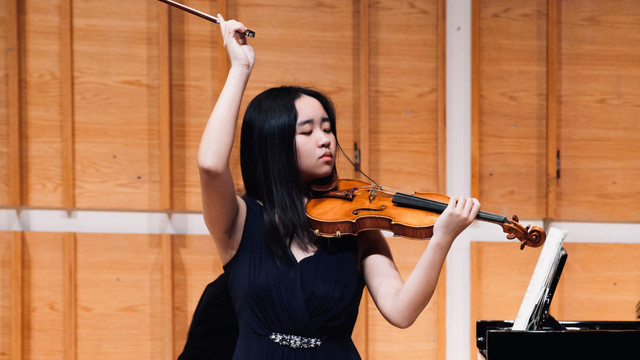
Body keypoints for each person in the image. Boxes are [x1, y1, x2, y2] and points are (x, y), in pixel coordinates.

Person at [194, 15, 481, 359]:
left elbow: (401, 311)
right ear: (273, 144)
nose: (325, 140)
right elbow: (211, 165)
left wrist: (442, 239)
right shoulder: (239, 224)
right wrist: (240, 67)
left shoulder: (355, 228)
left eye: (327, 128)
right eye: (308, 131)